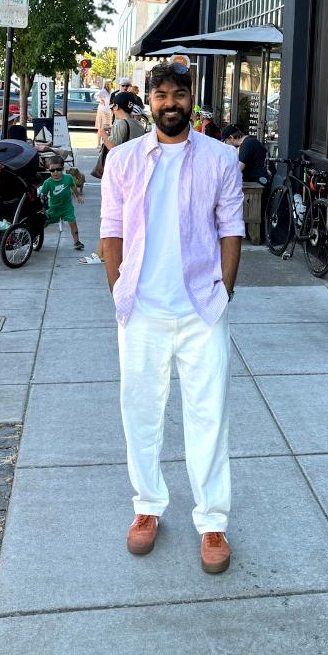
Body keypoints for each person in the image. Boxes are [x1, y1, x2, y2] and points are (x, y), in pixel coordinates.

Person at [100, 61, 244, 575]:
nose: (170, 103)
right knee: (140, 412)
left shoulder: (221, 158)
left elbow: (231, 228)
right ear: (148, 102)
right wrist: (119, 291)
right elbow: (111, 231)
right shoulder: (123, 160)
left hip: (202, 310)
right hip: (141, 310)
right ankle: (147, 506)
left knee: (209, 417)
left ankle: (212, 521)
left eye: (179, 94)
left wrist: (223, 292)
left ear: (191, 99)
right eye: (160, 95)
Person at [39, 161, 84, 250]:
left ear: (62, 169)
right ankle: (35, 237)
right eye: (52, 170)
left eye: (58, 169)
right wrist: (42, 206)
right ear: (49, 170)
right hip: (54, 208)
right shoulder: (48, 182)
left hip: (67, 206)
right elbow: (42, 195)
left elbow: (73, 186)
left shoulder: (68, 178)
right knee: (44, 222)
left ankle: (76, 242)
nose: (55, 172)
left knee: (72, 221)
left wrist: (77, 196)